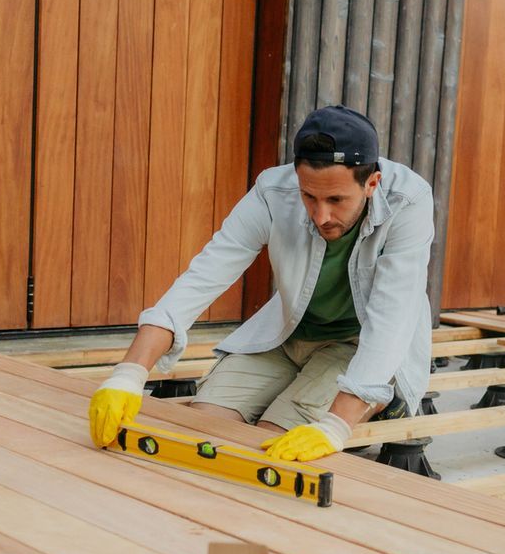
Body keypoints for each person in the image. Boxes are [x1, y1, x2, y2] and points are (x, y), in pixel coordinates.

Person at [87, 104, 434, 463]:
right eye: (309, 197)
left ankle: (381, 399)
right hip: (290, 334)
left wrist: (334, 426)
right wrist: (128, 375)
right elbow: (205, 274)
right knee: (204, 427)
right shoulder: (273, 190)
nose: (321, 216)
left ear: (371, 184)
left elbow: (391, 319)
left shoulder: (408, 201)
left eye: (336, 200)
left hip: (356, 344)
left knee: (270, 445)